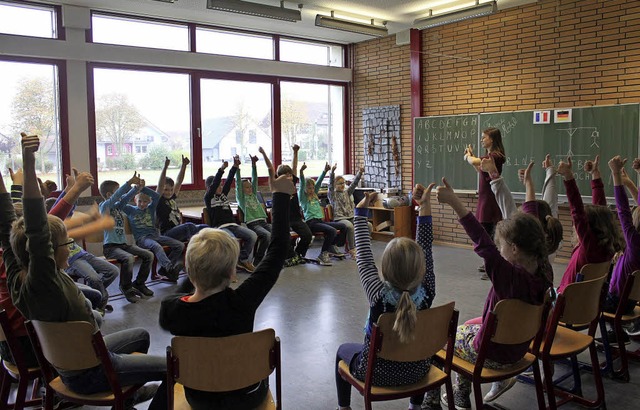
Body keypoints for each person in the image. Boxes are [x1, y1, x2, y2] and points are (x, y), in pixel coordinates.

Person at [1, 134, 166, 408]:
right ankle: (121, 391)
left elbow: (6, 217)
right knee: (176, 365)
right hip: (87, 372)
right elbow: (34, 224)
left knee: (141, 335)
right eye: (67, 241)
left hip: (68, 359)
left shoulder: (19, 270)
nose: (71, 244)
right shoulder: (45, 282)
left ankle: (128, 397)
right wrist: (29, 164)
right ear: (48, 253)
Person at [158, 168, 295, 410]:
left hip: (199, 397)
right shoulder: (242, 301)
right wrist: (281, 198)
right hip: (247, 394)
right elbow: (277, 251)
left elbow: (184, 293)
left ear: (188, 271)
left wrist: (197, 267)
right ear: (233, 273)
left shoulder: (171, 310)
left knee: (168, 379)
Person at [430, 177, 551, 409]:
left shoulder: (507, 276)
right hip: (520, 351)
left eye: (502, 245)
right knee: (467, 329)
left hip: (493, 355)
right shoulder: (544, 272)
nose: (499, 249)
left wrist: (455, 202)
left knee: (442, 338)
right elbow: (532, 226)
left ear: (514, 249)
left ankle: (438, 400)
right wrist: (529, 189)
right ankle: (462, 394)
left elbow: (481, 239)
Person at [335, 184, 437, 410]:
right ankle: (415, 405)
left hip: (375, 372)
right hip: (419, 370)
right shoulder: (428, 291)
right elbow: (426, 248)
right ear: (421, 269)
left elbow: (362, 256)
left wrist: (360, 213)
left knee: (341, 351)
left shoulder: (378, 295)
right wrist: (425, 206)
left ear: (386, 269)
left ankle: (343, 408)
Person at [557, 156, 624, 292]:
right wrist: (595, 175)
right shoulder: (605, 247)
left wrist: (568, 176)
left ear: (589, 226)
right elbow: (601, 210)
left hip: (564, 304)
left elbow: (577, 211)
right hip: (586, 306)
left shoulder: (589, 247)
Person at [599, 156, 640, 344]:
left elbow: (622, 209)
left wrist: (615, 174)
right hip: (630, 301)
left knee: (587, 291)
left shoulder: (634, 242)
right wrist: (632, 180)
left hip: (616, 303)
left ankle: (615, 333)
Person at [99, 173, 155, 303]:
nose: (120, 195)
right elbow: (118, 196)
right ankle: (126, 287)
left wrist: (137, 189)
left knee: (149, 255)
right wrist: (129, 182)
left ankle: (139, 283)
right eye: (116, 192)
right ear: (109, 195)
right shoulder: (104, 207)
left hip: (123, 245)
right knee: (128, 259)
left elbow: (126, 197)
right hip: (110, 247)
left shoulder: (118, 207)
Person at [463, 127, 505, 279]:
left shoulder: (496, 156)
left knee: (490, 235)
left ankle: (493, 266)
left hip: (491, 201)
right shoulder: (488, 156)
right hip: (485, 199)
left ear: (492, 139)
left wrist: (468, 157)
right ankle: (489, 262)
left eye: (484, 137)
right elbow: (479, 168)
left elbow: (475, 161)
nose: (482, 140)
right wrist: (472, 157)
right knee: (487, 233)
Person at [204, 156, 258, 273]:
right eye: (217, 186)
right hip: (220, 227)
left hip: (233, 225)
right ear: (209, 188)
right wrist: (221, 169)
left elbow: (229, 181)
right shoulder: (209, 198)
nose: (220, 187)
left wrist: (235, 166)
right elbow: (215, 183)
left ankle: (242, 259)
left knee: (252, 235)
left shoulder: (223, 194)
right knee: (232, 241)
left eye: (220, 186)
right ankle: (229, 268)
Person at [123, 179, 185, 282]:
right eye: (140, 201)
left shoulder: (151, 209)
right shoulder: (130, 210)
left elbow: (156, 196)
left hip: (155, 236)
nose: (142, 204)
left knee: (180, 245)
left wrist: (143, 188)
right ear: (135, 200)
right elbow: (122, 201)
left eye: (145, 202)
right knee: (157, 246)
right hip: (142, 239)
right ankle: (170, 268)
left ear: (149, 202)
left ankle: (165, 270)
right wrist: (136, 189)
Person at [299, 162, 347, 266]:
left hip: (320, 221)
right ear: (304, 189)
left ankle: (332, 246)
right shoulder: (303, 198)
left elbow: (319, 182)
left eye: (312, 188)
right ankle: (323, 254)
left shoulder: (315, 194)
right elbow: (302, 183)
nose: (312, 190)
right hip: (311, 223)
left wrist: (325, 171)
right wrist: (301, 172)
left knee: (343, 226)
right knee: (332, 231)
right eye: (309, 188)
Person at [156, 155, 208, 242]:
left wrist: (184, 165)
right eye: (166, 190)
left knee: (205, 227)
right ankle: (194, 247)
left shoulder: (172, 197)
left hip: (179, 229)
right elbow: (160, 184)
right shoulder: (159, 199)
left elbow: (179, 181)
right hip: (167, 233)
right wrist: (165, 167)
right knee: (189, 226)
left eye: (171, 190)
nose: (169, 192)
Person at [276, 144, 313, 267]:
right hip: (285, 220)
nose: (289, 177)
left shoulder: (292, 184)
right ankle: (290, 256)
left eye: (290, 175)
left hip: (296, 218)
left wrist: (295, 152)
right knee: (285, 238)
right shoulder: (279, 189)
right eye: (285, 175)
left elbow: (295, 167)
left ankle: (298, 255)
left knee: (307, 235)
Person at [235, 147, 272, 265]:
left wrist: (254, 165)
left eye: (250, 187)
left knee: (276, 233)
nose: (250, 188)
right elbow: (237, 184)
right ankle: (258, 260)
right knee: (267, 235)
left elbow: (255, 180)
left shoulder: (254, 195)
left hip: (263, 221)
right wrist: (237, 168)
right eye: (247, 187)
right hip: (253, 223)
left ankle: (272, 257)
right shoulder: (242, 198)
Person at [328, 163, 366, 259]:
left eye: (343, 183)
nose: (342, 185)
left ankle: (361, 247)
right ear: (335, 185)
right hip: (340, 218)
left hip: (351, 216)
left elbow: (354, 184)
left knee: (366, 224)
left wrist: (360, 173)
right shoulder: (332, 195)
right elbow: (330, 185)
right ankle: (352, 249)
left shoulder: (347, 192)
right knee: (350, 226)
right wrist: (332, 172)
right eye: (339, 183)